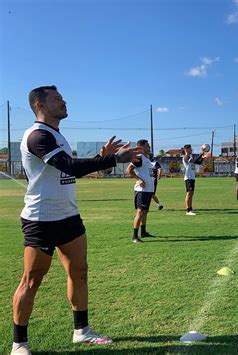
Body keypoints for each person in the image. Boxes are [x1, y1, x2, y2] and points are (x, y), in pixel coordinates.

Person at [12, 86, 142, 355]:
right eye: (57, 99)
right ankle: (19, 344)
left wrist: (99, 158)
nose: (64, 102)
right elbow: (69, 166)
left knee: (79, 272)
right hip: (41, 220)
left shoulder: (57, 135)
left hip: (69, 217)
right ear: (40, 105)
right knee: (32, 280)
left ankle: (81, 331)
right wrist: (111, 159)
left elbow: (68, 174)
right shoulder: (38, 136)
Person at [127, 140, 157, 243]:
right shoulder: (139, 157)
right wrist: (138, 179)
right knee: (140, 211)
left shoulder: (146, 158)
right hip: (141, 190)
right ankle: (135, 236)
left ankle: (143, 232)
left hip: (148, 190)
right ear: (141, 147)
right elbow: (129, 170)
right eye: (147, 146)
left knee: (145, 211)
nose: (149, 147)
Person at [182, 144, 206, 215]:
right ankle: (188, 210)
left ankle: (190, 208)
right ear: (186, 150)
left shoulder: (190, 157)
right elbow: (195, 160)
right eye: (190, 149)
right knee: (189, 194)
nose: (191, 150)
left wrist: (203, 157)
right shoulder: (186, 157)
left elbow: (198, 162)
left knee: (191, 194)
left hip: (192, 178)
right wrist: (201, 153)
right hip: (188, 178)